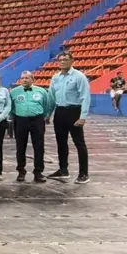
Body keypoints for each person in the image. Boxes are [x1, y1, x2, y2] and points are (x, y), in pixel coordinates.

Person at [48, 51, 91, 184]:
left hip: (74, 112)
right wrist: (48, 114)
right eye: (60, 60)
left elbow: (85, 97)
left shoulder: (79, 77)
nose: (62, 62)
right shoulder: (55, 77)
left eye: (65, 59)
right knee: (61, 142)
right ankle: (63, 170)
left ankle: (84, 174)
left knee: (79, 143)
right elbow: (51, 98)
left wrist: (83, 117)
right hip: (60, 112)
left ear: (72, 61)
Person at [10, 70, 52, 183]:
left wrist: (43, 117)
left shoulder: (42, 91)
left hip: (37, 120)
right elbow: (11, 107)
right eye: (22, 78)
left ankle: (38, 172)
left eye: (27, 78)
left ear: (33, 79)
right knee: (20, 147)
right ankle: (21, 171)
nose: (24, 80)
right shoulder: (13, 92)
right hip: (20, 120)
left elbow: (46, 106)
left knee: (39, 147)